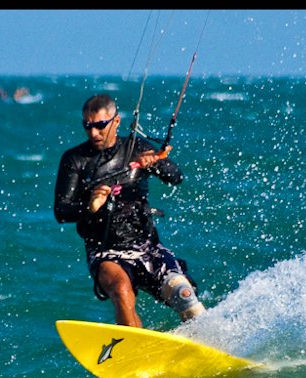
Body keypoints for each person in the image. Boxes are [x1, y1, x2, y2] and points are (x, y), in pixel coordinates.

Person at [54, 93, 205, 327]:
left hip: (146, 245)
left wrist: (156, 163)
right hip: (105, 250)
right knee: (122, 290)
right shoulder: (75, 160)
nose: (93, 133)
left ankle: (209, 343)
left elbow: (176, 177)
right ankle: (136, 353)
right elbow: (61, 211)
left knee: (183, 293)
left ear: (116, 121)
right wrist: (90, 207)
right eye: (87, 126)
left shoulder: (137, 148)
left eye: (100, 126)